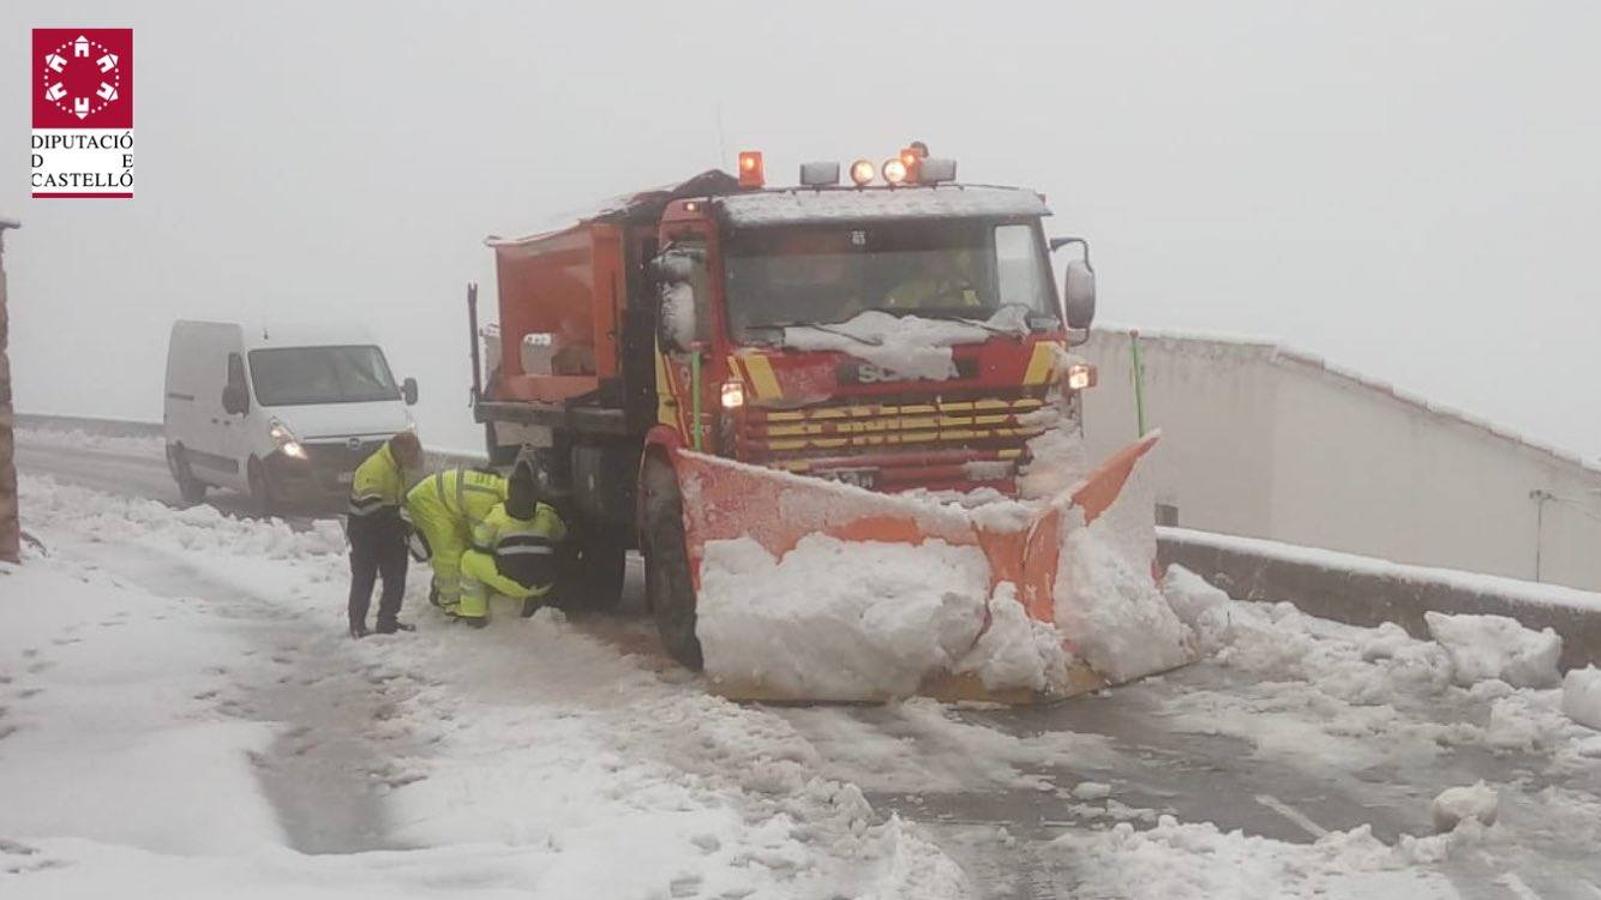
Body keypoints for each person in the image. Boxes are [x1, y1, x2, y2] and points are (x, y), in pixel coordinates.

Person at [456, 459, 566, 627]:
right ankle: (533, 598)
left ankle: (474, 615)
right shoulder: (546, 513)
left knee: (469, 559)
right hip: (545, 583)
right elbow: (560, 535)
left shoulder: (497, 515)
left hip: (512, 582)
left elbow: (479, 545)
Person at [346, 431, 424, 638]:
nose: (416, 458)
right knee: (365, 576)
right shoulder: (375, 468)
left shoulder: (395, 466)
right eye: (414, 454)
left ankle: (388, 620)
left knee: (396, 574)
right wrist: (396, 524)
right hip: (365, 529)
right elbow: (367, 507)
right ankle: (357, 624)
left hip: (386, 526)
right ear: (400, 450)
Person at [403, 465, 507, 618]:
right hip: (429, 503)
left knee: (460, 546)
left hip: (439, 500)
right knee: (448, 555)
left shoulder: (492, 486)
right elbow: (481, 539)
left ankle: (440, 588)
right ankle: (451, 603)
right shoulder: (487, 498)